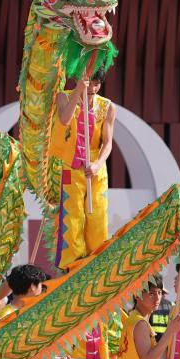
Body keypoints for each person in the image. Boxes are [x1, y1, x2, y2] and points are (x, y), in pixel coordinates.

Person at [51, 68, 116, 270]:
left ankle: (96, 264)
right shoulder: (64, 96)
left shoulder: (107, 106)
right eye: (91, 83)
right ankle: (72, 266)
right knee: (73, 216)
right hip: (71, 166)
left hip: (95, 169)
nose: (93, 88)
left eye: (97, 84)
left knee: (97, 215)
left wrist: (97, 164)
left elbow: (108, 143)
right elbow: (64, 119)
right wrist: (78, 91)